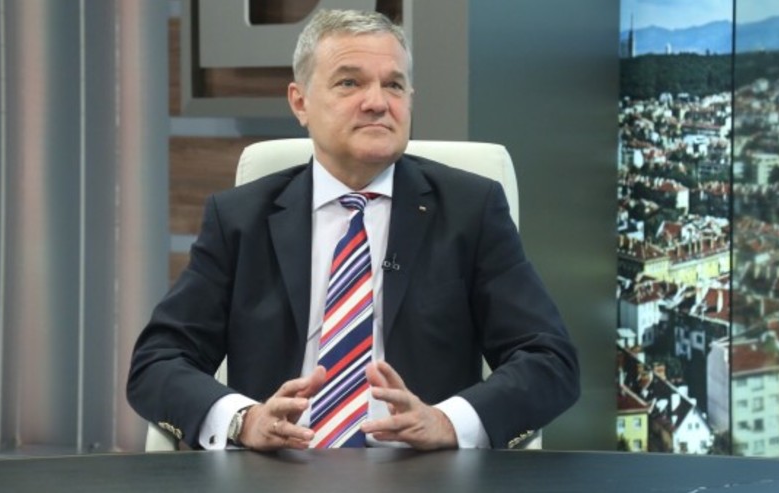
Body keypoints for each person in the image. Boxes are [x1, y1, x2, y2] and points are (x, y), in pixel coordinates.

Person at [127, 8, 579, 451]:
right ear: (300, 102)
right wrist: (243, 420)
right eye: (350, 82)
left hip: (423, 474)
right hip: (276, 469)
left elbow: (549, 361)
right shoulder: (240, 219)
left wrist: (448, 422)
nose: (378, 102)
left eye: (394, 85)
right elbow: (158, 362)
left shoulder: (469, 210)